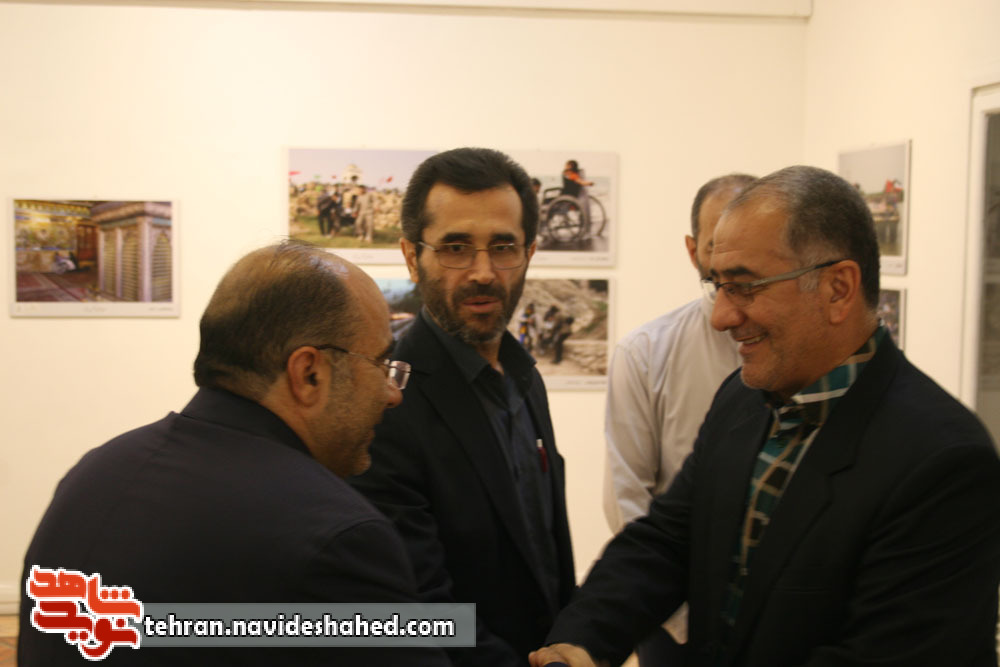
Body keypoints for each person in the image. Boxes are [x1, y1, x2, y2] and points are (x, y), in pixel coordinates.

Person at [531, 165, 1000, 667]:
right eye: (717, 285)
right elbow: (668, 540)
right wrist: (582, 639)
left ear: (838, 288)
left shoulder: (943, 460)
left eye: (745, 287)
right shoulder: (742, 399)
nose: (721, 317)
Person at [19, 242, 448, 666]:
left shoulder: (95, 472)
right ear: (309, 374)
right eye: (380, 364)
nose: (392, 393)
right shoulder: (334, 533)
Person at [350, 147, 576, 666]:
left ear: (529, 252)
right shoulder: (386, 403)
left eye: (503, 246)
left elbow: (543, 554)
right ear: (412, 257)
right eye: (455, 248)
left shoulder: (524, 377)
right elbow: (419, 608)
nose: (483, 272)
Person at [603, 173, 755, 666]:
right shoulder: (646, 353)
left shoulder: (799, 350)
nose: (732, 260)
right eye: (716, 245)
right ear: (693, 252)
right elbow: (627, 497)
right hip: (676, 620)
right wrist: (680, 616)